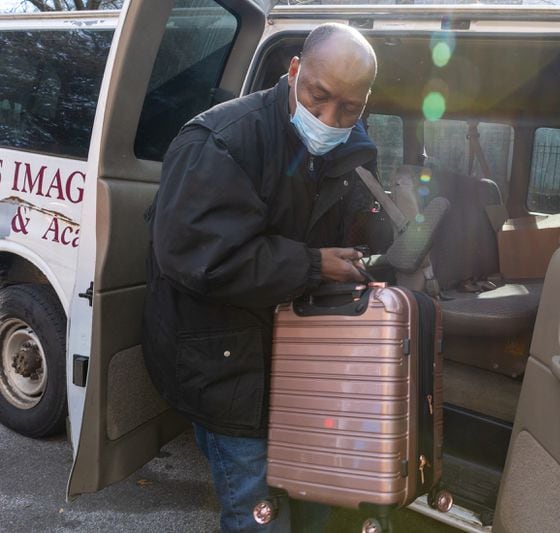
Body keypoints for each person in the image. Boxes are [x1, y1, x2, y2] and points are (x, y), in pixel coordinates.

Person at [141, 23, 389, 532]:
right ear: (294, 70)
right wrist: (315, 265)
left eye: (349, 108)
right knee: (259, 512)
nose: (329, 118)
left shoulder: (351, 148)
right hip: (226, 366)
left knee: (315, 496)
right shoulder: (221, 139)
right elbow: (201, 256)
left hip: (301, 371)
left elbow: (362, 225)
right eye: (319, 98)